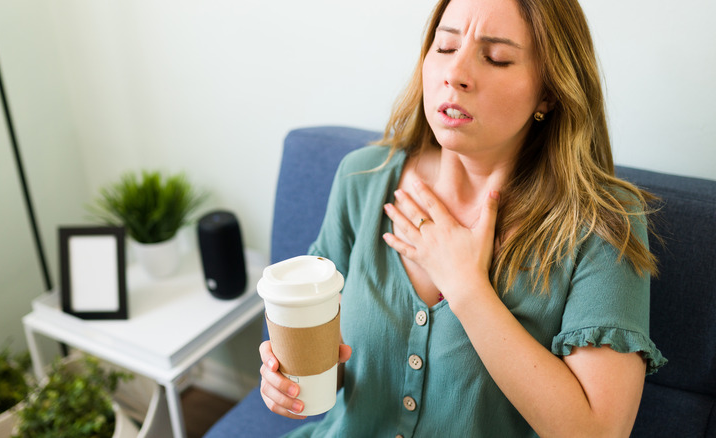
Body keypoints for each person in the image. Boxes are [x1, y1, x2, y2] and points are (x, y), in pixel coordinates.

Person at [259, 0, 666, 436]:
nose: (456, 75)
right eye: (446, 47)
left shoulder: (603, 223)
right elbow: (333, 361)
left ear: (549, 90)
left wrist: (466, 287)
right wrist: (289, 380)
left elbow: (598, 433)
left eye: (496, 58)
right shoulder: (362, 177)